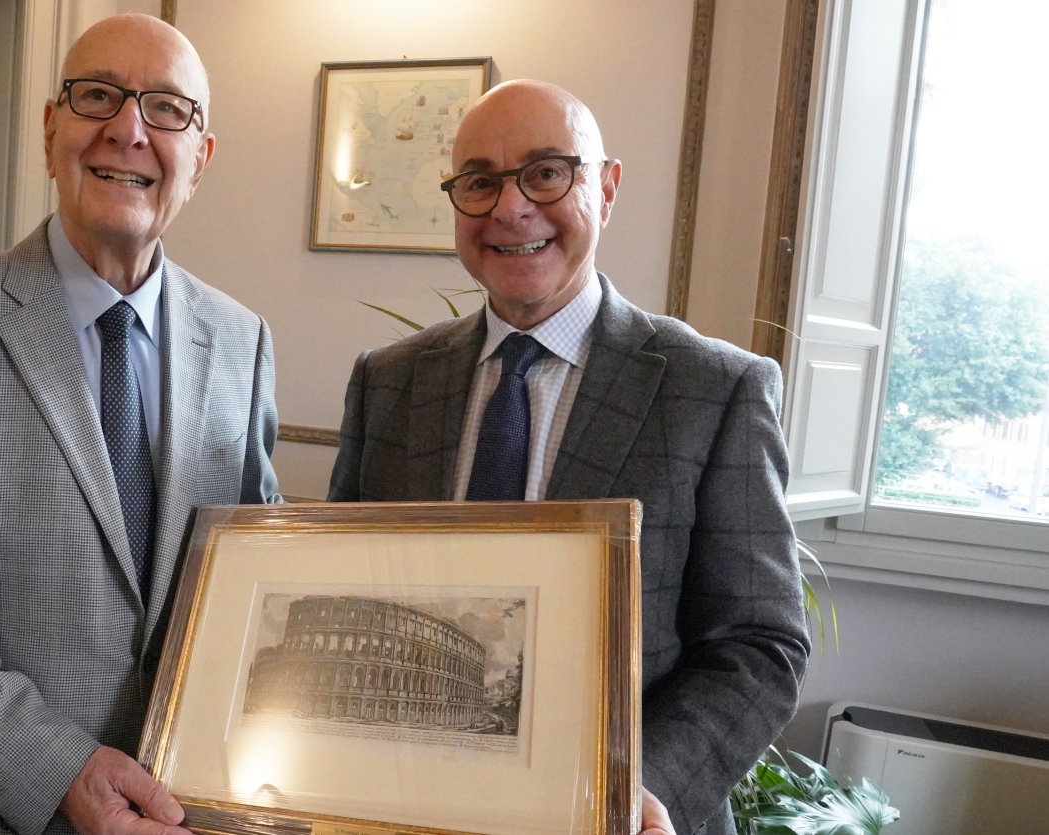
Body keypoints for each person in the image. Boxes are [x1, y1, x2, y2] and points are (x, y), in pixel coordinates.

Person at [0, 14, 279, 835]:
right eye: (97, 96)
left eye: (167, 109)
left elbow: (253, 573)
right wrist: (59, 766)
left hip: (180, 808)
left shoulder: (242, 339)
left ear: (201, 158)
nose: (129, 129)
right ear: (50, 130)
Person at [327, 80, 809, 835]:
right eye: (480, 182)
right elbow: (343, 589)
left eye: (547, 172)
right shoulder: (387, 381)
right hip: (401, 809)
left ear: (606, 187)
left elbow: (760, 643)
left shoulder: (714, 390)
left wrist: (641, 790)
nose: (512, 208)